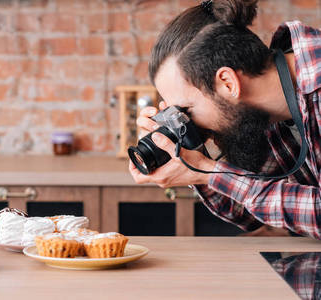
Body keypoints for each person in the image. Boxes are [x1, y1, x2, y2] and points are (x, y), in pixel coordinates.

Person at [128, 0, 321, 238]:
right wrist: (192, 159)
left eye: (186, 110)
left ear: (228, 83)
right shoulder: (260, 115)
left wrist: (209, 172)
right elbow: (249, 213)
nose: (185, 121)